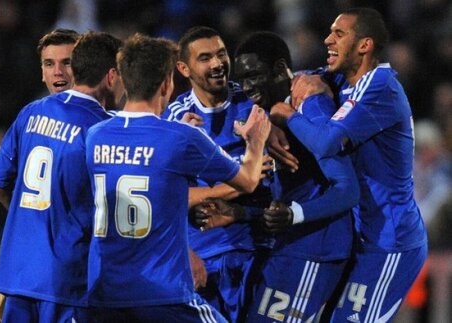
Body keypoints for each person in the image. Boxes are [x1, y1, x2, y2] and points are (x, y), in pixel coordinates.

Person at [85, 33, 270, 322]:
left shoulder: (96, 135)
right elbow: (247, 179)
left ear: (124, 80)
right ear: (167, 83)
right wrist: (255, 143)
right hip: (162, 293)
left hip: (103, 291)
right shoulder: (181, 137)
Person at [271, 8, 427, 322]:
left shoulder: (380, 87)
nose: (327, 39)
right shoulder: (343, 77)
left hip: (390, 241)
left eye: (339, 34)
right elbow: (299, 83)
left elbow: (327, 143)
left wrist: (286, 115)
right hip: (362, 235)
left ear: (364, 45)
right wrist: (276, 114)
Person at [197, 30, 358, 322]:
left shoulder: (310, 104)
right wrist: (239, 213)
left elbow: (347, 189)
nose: (247, 88)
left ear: (280, 69)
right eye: (242, 79)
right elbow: (285, 202)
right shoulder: (266, 116)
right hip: (292, 246)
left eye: (255, 76)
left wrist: (295, 214)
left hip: (318, 248)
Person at [0, 31, 124, 323]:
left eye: (66, 62)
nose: (58, 72)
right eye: (49, 64)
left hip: (21, 280)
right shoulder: (103, 128)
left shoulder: (29, 114)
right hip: (68, 282)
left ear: (82, 65)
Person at [162, 26, 276, 322]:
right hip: (205, 258)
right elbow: (168, 197)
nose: (217, 63)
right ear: (184, 68)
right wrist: (243, 179)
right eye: (205, 57)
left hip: (259, 249)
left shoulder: (253, 105)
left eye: (221, 54)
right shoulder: (176, 121)